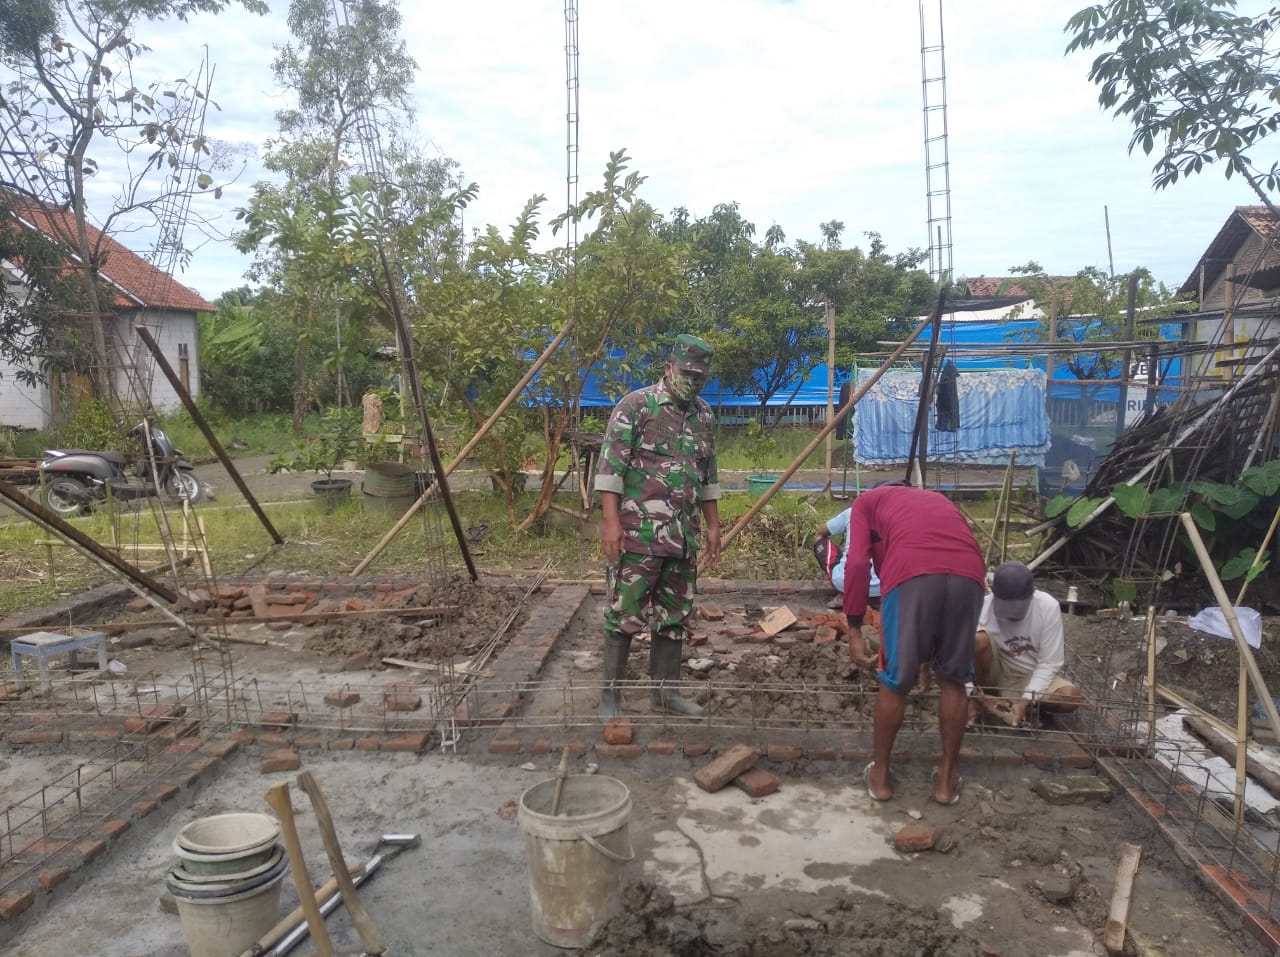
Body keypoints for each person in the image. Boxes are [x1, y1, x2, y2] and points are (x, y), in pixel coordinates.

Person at [595, 334, 722, 720]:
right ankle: (611, 699)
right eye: (687, 374)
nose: (693, 382)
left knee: (674, 616)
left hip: (683, 538)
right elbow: (609, 471)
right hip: (638, 537)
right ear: (669, 368)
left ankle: (665, 694)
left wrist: (714, 527)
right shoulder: (636, 406)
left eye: (700, 377)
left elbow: (708, 477)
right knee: (625, 614)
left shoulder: (703, 416)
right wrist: (611, 524)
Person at [842, 482, 985, 806]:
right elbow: (943, 570)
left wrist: (853, 630)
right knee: (953, 679)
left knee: (895, 680)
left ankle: (880, 778)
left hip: (911, 572)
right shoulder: (935, 500)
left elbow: (858, 564)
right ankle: (946, 783)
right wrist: (925, 658)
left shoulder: (866, 503)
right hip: (970, 574)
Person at [972, 561, 1082, 728]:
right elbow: (958, 653)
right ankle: (981, 697)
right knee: (977, 641)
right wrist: (971, 692)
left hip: (1027, 675)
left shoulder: (1047, 607)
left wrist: (1026, 699)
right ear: (993, 591)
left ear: (1032, 594)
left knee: (1070, 697)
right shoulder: (981, 608)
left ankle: (1019, 706)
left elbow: (1049, 663)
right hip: (993, 671)